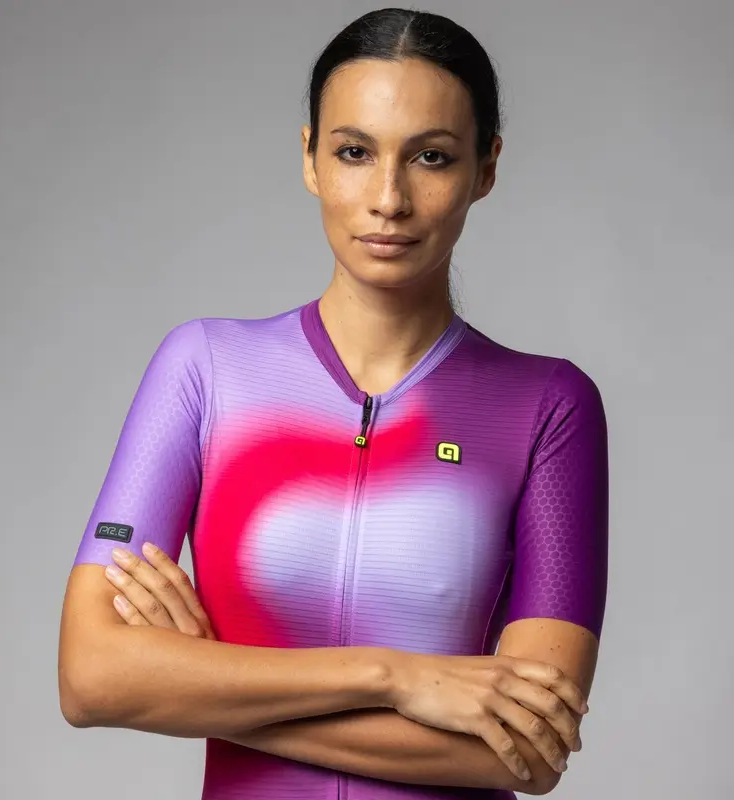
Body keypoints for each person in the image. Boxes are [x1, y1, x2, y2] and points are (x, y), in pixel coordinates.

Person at [58, 7, 608, 799]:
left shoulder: (549, 407)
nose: (389, 198)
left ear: (485, 169)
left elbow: (527, 750)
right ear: (310, 159)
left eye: (431, 157)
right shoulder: (204, 369)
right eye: (355, 152)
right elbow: (90, 677)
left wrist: (203, 683)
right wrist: (395, 677)